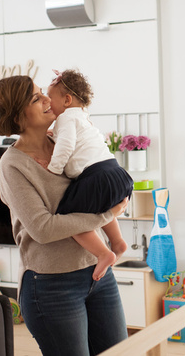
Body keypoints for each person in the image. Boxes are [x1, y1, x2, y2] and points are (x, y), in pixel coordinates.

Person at [0, 75, 129, 356]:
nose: (47, 100)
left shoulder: (63, 141)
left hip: (98, 276)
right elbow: (43, 228)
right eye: (36, 98)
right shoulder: (12, 165)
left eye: (43, 93)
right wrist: (106, 216)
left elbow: (95, 188)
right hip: (51, 287)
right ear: (18, 115)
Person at [47, 69, 133, 281]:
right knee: (99, 205)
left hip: (95, 176)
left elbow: (66, 146)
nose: (48, 105)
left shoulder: (66, 118)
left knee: (69, 218)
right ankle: (118, 241)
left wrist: (53, 170)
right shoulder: (81, 117)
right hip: (115, 172)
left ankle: (103, 253)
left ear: (67, 100)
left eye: (50, 99)